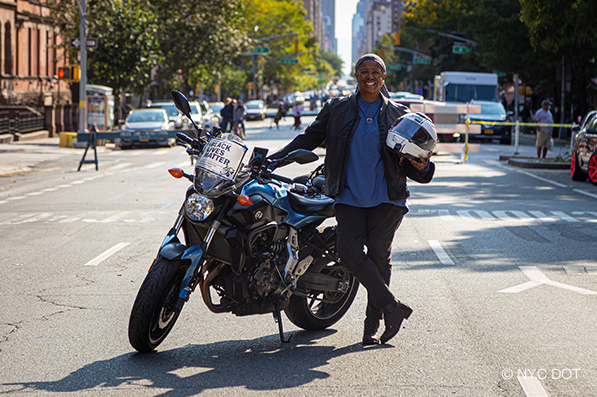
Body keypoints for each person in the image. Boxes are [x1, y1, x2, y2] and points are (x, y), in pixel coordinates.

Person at [270, 53, 435, 346]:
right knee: (347, 252)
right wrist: (273, 161)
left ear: (384, 78)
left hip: (387, 199)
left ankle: (371, 327)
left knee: (378, 258)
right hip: (347, 196)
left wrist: (424, 166)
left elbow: (419, 167)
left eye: (376, 72)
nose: (370, 77)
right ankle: (393, 307)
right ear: (355, 76)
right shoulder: (337, 109)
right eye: (364, 71)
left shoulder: (399, 114)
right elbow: (308, 139)